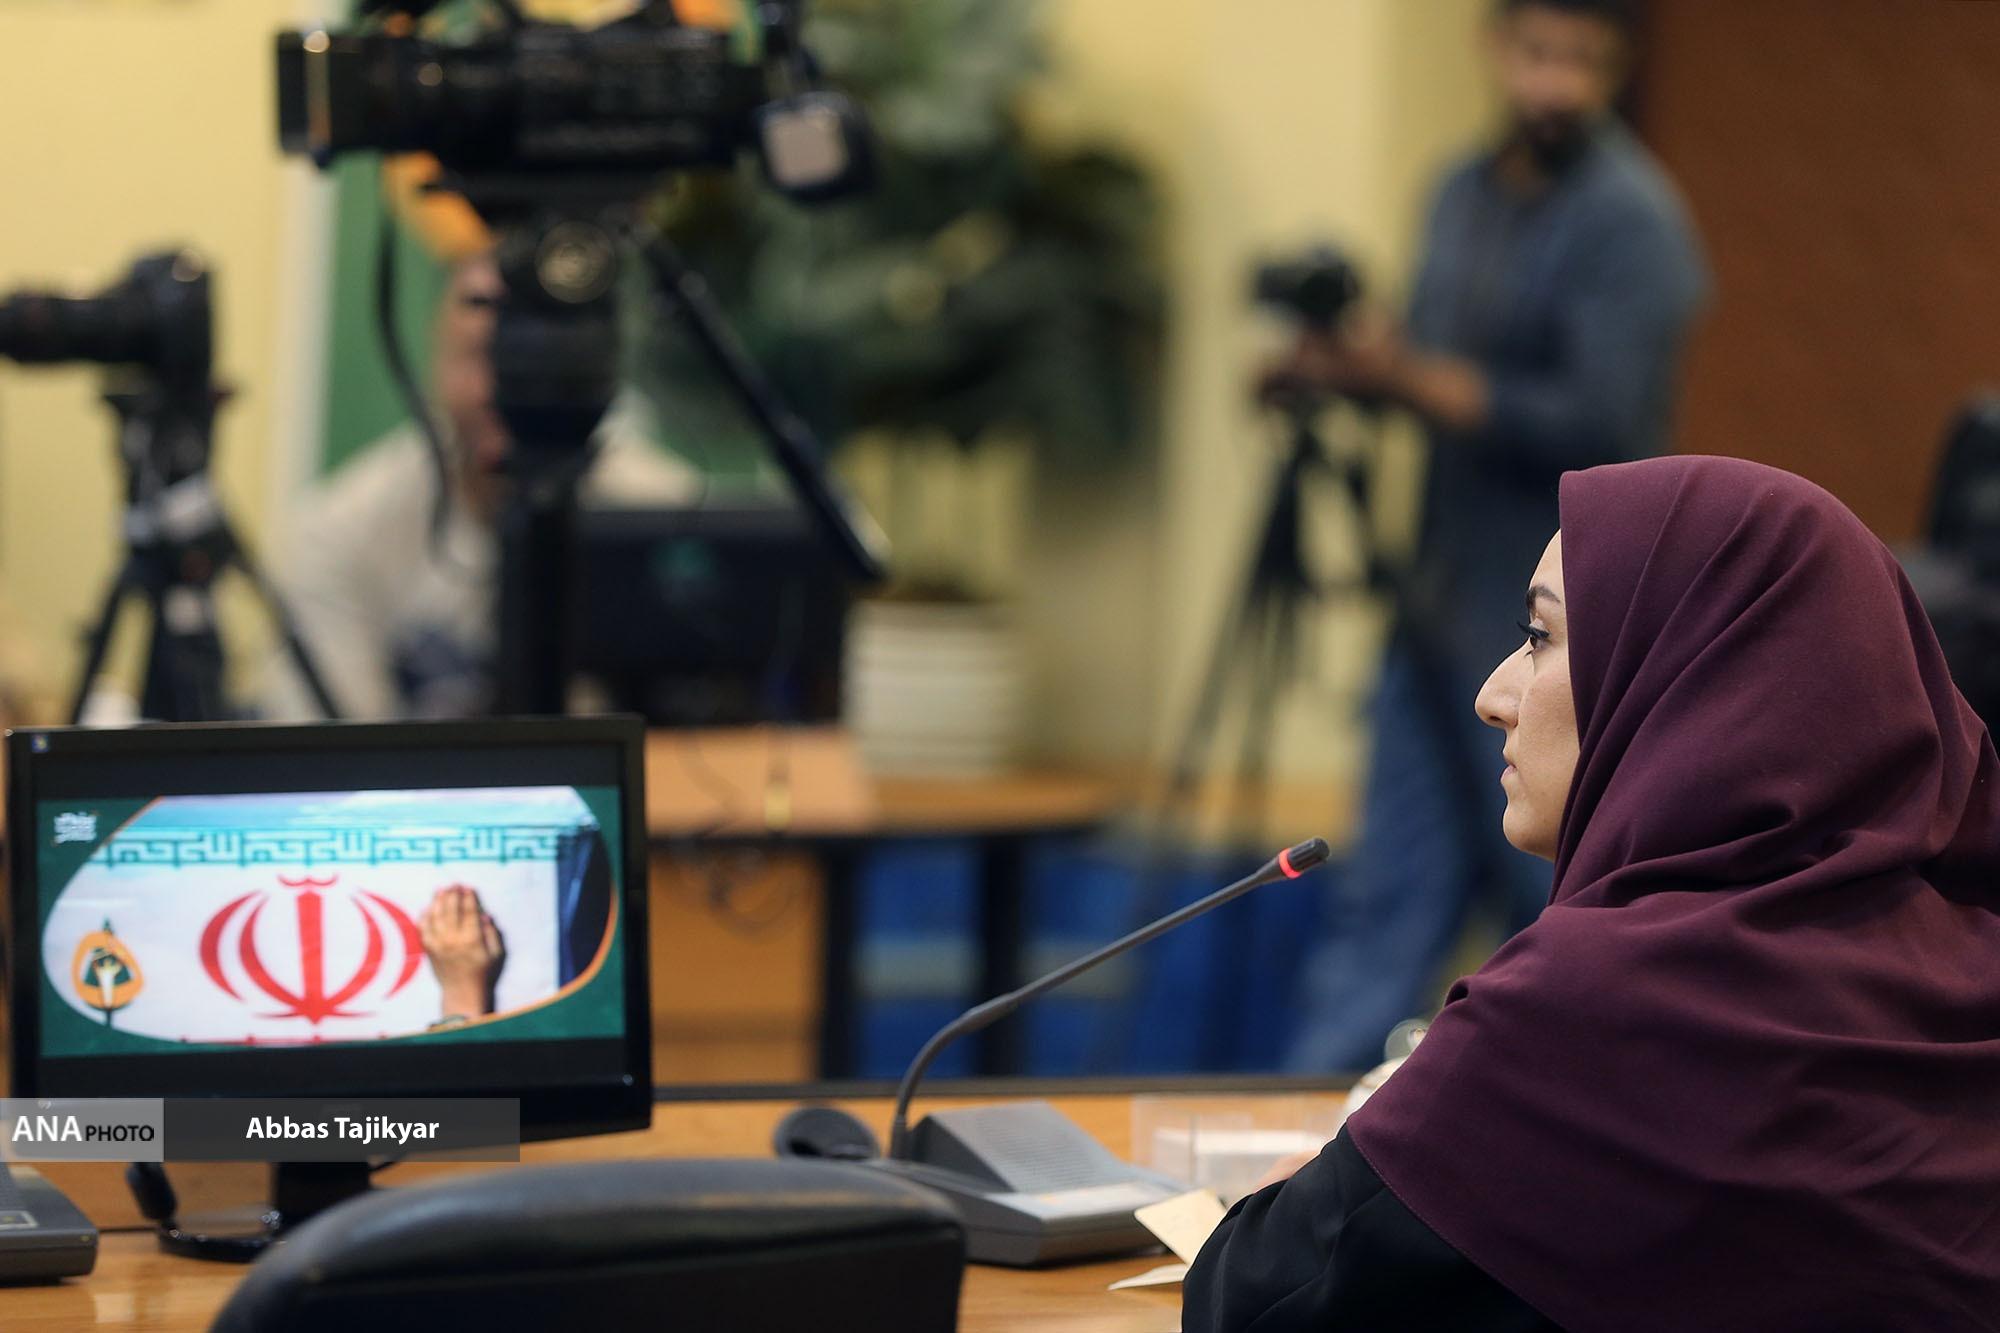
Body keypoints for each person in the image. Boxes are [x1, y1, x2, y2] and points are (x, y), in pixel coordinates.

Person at [1185, 455, 2000, 1330]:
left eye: (1539, 637)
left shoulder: (1585, 1012)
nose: (1492, 695)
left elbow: (1248, 1298)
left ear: (1695, 680)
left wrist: (1327, 1174)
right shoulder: (1970, 969)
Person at [1284, 0, 1710, 1073]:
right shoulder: (1458, 191)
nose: (1554, 84)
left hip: (1560, 638)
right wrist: (1349, 372)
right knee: (1381, 914)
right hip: (1431, 608)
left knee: (1550, 908)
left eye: (1581, 61)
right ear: (1493, 48)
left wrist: (1410, 378)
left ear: (1616, 69)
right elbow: (1427, 364)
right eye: (1536, 53)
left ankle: (1546, 1135)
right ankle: (1311, 1163)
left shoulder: (1635, 223)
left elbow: (1605, 426)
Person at [263, 253, 697, 721]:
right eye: (480, 353)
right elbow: (326, 748)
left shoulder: (671, 520)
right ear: (437, 359)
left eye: (540, 357)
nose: (504, 389)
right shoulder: (343, 530)